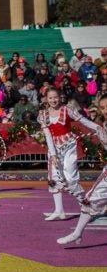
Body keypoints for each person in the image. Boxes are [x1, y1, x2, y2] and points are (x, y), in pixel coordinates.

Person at [37, 87, 102, 221]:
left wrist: (97, 127)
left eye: (55, 97)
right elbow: (48, 135)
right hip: (54, 148)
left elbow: (82, 120)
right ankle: (59, 210)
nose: (53, 100)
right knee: (54, 177)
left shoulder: (67, 110)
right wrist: (53, 155)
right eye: (50, 98)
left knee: (71, 178)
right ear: (46, 99)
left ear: (60, 97)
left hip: (68, 146)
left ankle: (87, 209)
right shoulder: (43, 115)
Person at [57, 94, 107, 244]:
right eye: (103, 107)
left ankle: (78, 233)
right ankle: (77, 233)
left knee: (90, 199)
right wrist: (76, 115)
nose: (105, 110)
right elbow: (90, 124)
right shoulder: (102, 125)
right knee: (90, 200)